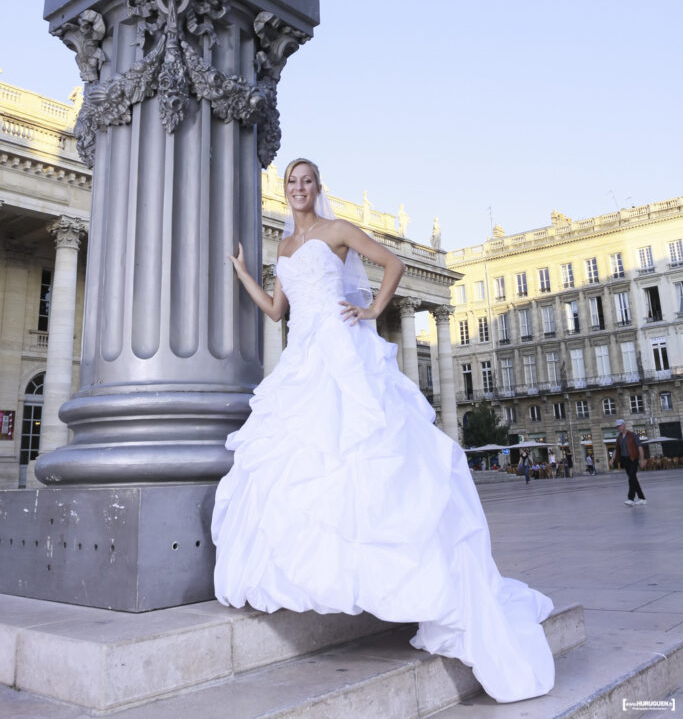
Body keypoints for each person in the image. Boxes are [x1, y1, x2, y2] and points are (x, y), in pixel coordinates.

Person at [212, 159, 555, 703]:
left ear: (317, 189)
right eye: (291, 184)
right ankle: (324, 576)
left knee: (361, 451)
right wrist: (244, 275)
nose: (299, 190)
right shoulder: (282, 249)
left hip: (343, 349)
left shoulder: (338, 230)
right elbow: (276, 311)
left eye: (306, 183)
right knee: (308, 459)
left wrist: (371, 308)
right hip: (302, 357)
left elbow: (391, 263)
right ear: (285, 192)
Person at [610, 420, 646, 505]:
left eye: (620, 425)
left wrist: (642, 459)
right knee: (633, 479)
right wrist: (612, 458)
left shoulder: (632, 435)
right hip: (625, 460)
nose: (619, 428)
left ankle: (631, 498)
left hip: (633, 459)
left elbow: (640, 447)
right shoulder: (619, 437)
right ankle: (642, 498)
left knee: (631, 478)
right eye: (618, 426)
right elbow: (616, 449)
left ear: (624, 425)